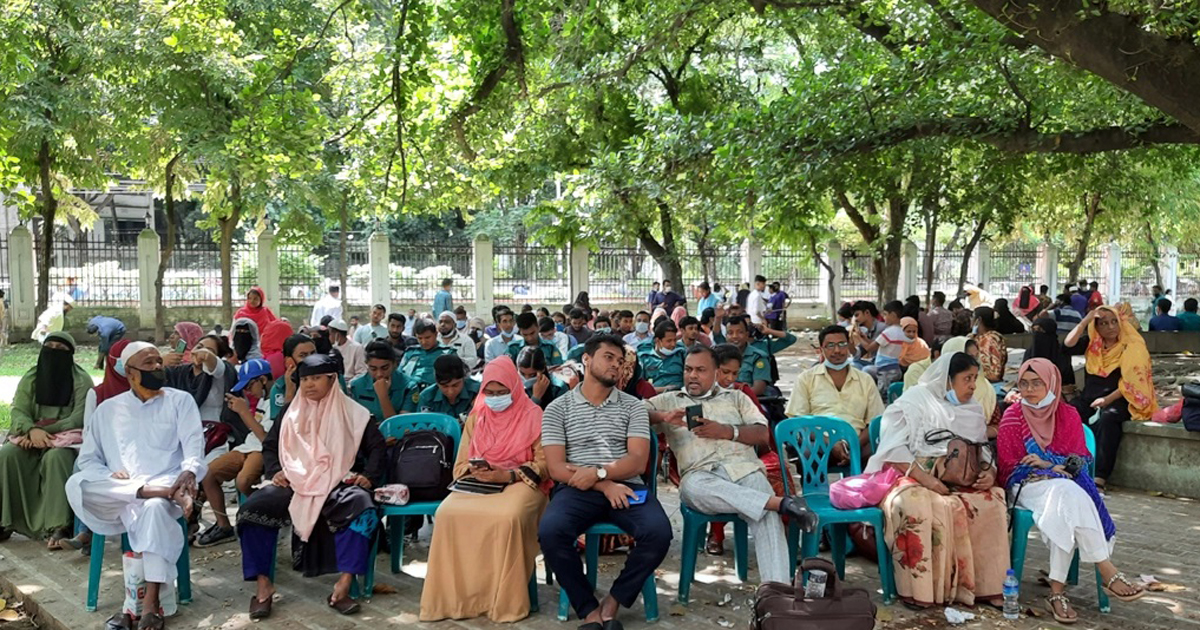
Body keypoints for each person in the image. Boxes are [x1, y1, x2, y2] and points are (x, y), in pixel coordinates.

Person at [647, 346, 816, 584]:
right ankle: (781, 504)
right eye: (688, 369)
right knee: (693, 488)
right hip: (701, 477)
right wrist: (662, 417)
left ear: (715, 372)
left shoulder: (736, 397)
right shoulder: (668, 401)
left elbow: (761, 434)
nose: (692, 375)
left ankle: (777, 594)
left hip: (744, 470)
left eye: (700, 370)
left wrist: (727, 431)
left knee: (766, 516)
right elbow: (631, 414)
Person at [67, 342, 206, 630]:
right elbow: (89, 460)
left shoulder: (180, 401)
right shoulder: (108, 410)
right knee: (77, 483)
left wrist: (189, 472)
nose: (158, 367)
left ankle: (144, 604)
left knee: (154, 509)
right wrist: (108, 472)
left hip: (168, 482)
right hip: (122, 490)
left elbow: (194, 447)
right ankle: (156, 494)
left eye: (159, 362)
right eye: (149, 363)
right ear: (130, 373)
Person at [238, 354, 385, 619]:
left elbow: (377, 448)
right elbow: (270, 447)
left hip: (337, 480)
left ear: (332, 380)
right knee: (252, 511)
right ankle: (263, 586)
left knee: (362, 507)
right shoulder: (290, 412)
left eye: (316, 378)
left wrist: (369, 477)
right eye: (305, 379)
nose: (309, 385)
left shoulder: (355, 413)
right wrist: (275, 472)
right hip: (293, 482)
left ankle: (344, 584)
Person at [538, 335, 671, 629]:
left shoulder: (634, 407)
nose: (616, 366)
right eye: (608, 357)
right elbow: (557, 468)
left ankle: (613, 603)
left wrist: (600, 474)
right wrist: (602, 484)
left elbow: (637, 461)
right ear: (586, 360)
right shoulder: (557, 409)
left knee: (658, 532)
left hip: (627, 485)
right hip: (576, 488)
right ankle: (588, 610)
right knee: (551, 531)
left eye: (620, 361)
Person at [997, 359, 1144, 623]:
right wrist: (1048, 468)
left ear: (1051, 383)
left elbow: (1081, 462)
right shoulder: (1012, 415)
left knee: (1065, 500)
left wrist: (1050, 464)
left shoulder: (1068, 415)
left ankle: (1057, 592)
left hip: (1062, 486)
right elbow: (1008, 465)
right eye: (1024, 383)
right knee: (1069, 493)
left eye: (1037, 383)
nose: (1029, 390)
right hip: (1026, 484)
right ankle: (1105, 568)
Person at [866, 351, 1009, 609]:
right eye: (967, 379)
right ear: (946, 380)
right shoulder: (913, 402)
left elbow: (981, 449)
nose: (973, 386)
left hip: (958, 476)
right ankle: (925, 591)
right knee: (918, 505)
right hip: (912, 473)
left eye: (975, 378)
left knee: (993, 500)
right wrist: (927, 480)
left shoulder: (972, 408)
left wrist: (989, 472)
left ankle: (988, 587)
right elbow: (893, 450)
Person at [418, 357, 549, 622]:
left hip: (522, 483)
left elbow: (544, 464)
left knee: (507, 518)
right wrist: (479, 471)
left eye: (502, 393)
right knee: (447, 514)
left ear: (515, 388)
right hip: (479, 485)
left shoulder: (534, 415)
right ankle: (457, 599)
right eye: (490, 393)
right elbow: (461, 464)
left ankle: (501, 599)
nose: (495, 398)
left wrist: (507, 474)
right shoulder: (478, 417)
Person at [0, 332, 92, 545]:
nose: (53, 351)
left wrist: (44, 433)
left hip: (66, 440)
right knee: (7, 455)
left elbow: (78, 418)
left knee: (56, 459)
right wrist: (31, 430)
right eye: (49, 346)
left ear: (70, 354)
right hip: (31, 436)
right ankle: (6, 521)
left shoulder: (81, 380)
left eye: (60, 349)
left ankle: (59, 525)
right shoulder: (31, 378)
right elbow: (18, 410)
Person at [1064, 305, 1157, 489]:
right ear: (1096, 327)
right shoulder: (1093, 344)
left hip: (1120, 399)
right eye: (1104, 323)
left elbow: (1132, 383)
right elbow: (1068, 344)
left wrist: (1107, 400)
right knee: (1071, 413)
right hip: (1090, 397)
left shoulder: (1131, 347)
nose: (1111, 327)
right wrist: (1085, 320)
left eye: (1114, 321)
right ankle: (1073, 467)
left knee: (1109, 418)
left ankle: (1100, 476)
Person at [194, 359, 275, 548]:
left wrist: (244, 412)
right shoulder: (263, 399)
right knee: (208, 473)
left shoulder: (276, 400)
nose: (247, 392)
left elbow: (266, 439)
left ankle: (261, 517)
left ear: (262, 380)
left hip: (262, 449)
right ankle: (223, 526)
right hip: (248, 446)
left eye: (249, 386)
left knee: (243, 481)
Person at [786, 326, 884, 466]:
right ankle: (814, 488)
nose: (837, 350)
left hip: (857, 441)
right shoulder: (806, 379)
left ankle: (861, 487)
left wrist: (852, 444)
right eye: (830, 345)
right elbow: (799, 421)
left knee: (880, 454)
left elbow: (874, 421)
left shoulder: (865, 380)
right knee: (807, 454)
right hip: (819, 442)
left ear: (849, 345)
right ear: (821, 349)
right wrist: (831, 443)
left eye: (842, 344)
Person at [166, 335, 235, 424]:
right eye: (199, 347)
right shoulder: (180, 371)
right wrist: (161, 361)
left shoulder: (221, 371)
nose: (200, 352)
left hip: (213, 431)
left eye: (210, 350)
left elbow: (218, 368)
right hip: (183, 428)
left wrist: (207, 356)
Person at [722, 315, 796, 396]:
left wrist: (768, 330)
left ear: (747, 334)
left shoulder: (759, 355)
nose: (735, 336)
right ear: (726, 336)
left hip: (749, 400)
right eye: (730, 333)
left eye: (740, 332)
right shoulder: (719, 355)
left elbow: (758, 389)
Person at [350, 340, 414, 422]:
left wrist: (383, 396)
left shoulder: (409, 387)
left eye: (385, 368)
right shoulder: (356, 386)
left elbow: (400, 426)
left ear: (394, 364)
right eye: (373, 369)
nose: (379, 374)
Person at [404, 354, 478, 419]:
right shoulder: (427, 397)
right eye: (445, 386)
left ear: (464, 378)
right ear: (436, 382)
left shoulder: (478, 391)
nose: (450, 391)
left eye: (455, 385)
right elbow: (422, 426)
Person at [854, 301, 906, 393]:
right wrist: (865, 338)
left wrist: (858, 337)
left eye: (885, 314)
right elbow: (877, 344)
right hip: (895, 368)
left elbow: (869, 348)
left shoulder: (888, 332)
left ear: (893, 315)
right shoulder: (902, 331)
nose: (883, 317)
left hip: (884, 369)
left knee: (883, 395)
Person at [267, 335, 317, 423]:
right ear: (289, 361)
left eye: (313, 353)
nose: (311, 359)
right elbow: (282, 426)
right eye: (303, 355)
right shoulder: (280, 387)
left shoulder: (330, 378)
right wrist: (290, 392)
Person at [402, 319, 458, 388]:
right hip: (411, 391)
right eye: (420, 338)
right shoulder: (411, 352)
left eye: (427, 337)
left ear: (436, 334)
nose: (424, 342)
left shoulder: (448, 353)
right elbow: (399, 375)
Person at [1025, 317, 1075, 387]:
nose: (1037, 334)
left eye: (1040, 330)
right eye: (1034, 330)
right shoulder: (1029, 352)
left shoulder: (1061, 353)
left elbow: (1066, 379)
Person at [517, 345, 570, 410]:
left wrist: (537, 397)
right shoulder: (512, 387)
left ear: (542, 370)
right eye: (522, 374)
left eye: (532, 375)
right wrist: (536, 398)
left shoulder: (558, 388)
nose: (526, 379)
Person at [638, 319, 685, 393]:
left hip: (680, 395)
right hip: (655, 397)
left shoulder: (681, 353)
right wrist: (664, 389)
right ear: (657, 341)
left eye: (675, 340)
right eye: (669, 341)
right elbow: (639, 386)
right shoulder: (645, 356)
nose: (673, 344)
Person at [971, 306, 1008, 385]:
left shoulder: (988, 340)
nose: (971, 320)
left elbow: (994, 374)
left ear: (978, 320)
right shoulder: (981, 337)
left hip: (988, 383)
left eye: (973, 317)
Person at [849, 301, 886, 367]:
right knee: (849, 362)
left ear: (867, 312)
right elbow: (858, 354)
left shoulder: (882, 328)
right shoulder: (866, 331)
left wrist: (859, 337)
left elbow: (871, 348)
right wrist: (849, 342)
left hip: (883, 365)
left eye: (857, 315)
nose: (855, 319)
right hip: (874, 362)